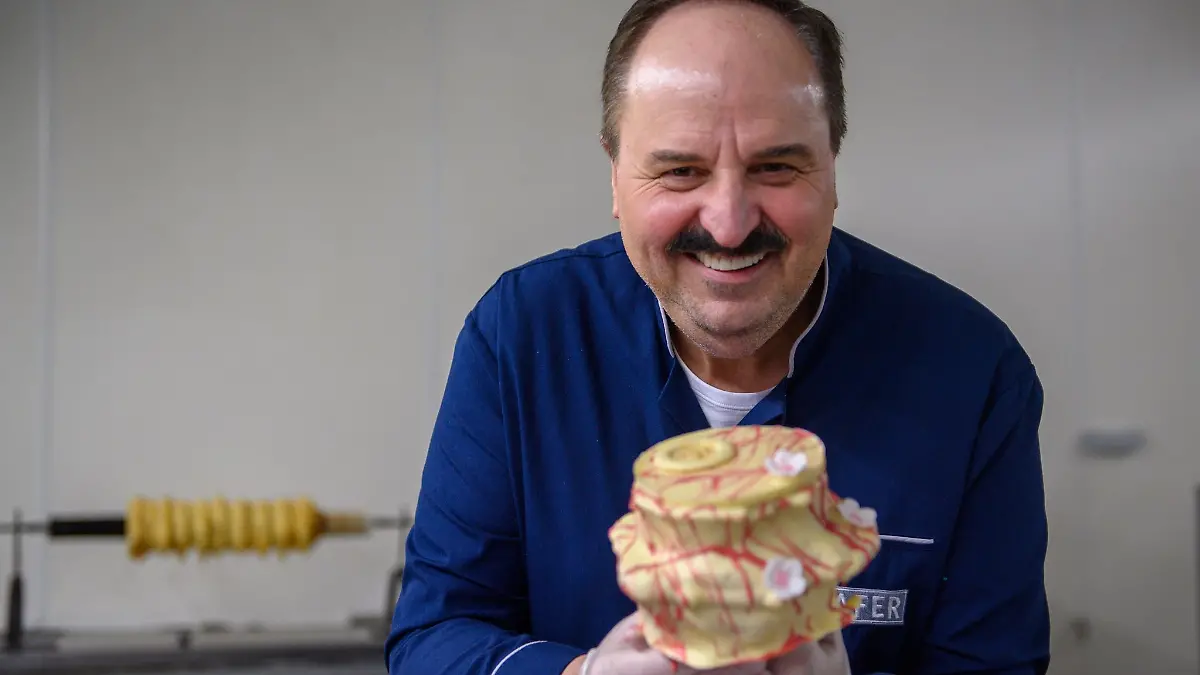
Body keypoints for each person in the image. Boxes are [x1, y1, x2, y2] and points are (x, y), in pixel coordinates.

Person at [385, 0, 1051, 673]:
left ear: (832, 166)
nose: (729, 224)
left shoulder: (972, 373)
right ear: (615, 174)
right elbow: (434, 635)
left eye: (776, 167)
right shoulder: (520, 336)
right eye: (680, 170)